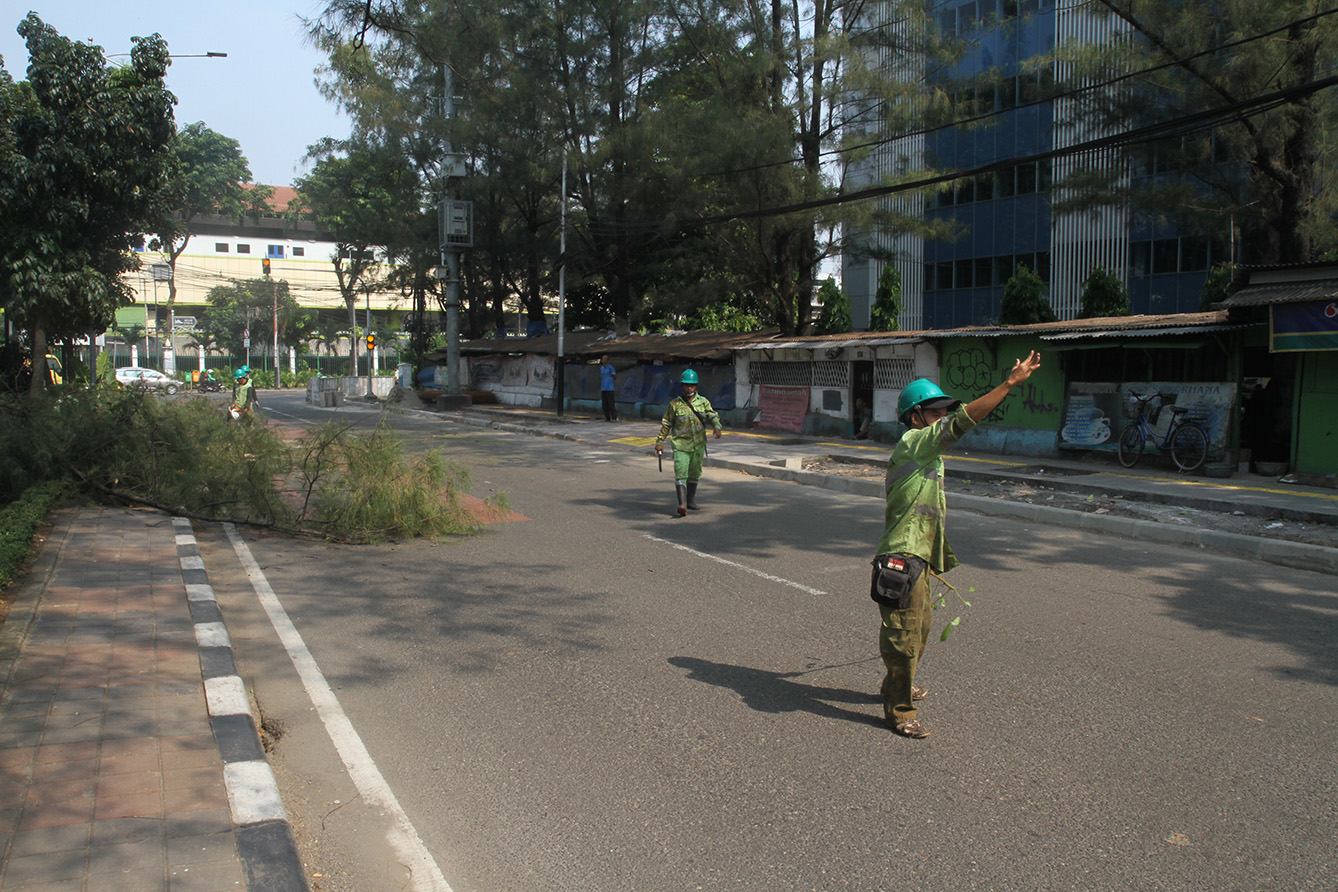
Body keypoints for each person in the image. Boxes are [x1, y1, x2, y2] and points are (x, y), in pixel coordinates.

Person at [873, 352, 1041, 738]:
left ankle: (899, 681)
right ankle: (899, 710)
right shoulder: (915, 443)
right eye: (935, 413)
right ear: (915, 417)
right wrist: (1009, 384)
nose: (942, 418)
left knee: (921, 628)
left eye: (942, 412)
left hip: (921, 555)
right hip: (902, 555)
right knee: (903, 634)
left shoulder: (927, 451)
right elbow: (962, 423)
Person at [654, 369, 723, 516]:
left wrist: (717, 427)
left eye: (692, 385)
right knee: (681, 473)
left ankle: (690, 501)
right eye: (686, 385)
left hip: (698, 444)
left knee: (695, 473)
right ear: (682, 386)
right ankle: (682, 504)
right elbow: (666, 425)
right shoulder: (674, 405)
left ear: (696, 386)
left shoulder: (703, 402)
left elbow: (712, 415)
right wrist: (660, 441)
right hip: (681, 446)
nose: (689, 388)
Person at [599, 355, 618, 422]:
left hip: (610, 388)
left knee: (611, 403)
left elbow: (614, 376)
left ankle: (614, 418)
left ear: (607, 360)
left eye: (605, 359)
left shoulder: (610, 367)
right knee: (604, 404)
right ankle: (607, 418)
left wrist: (610, 382)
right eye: (603, 359)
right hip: (603, 388)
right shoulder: (601, 368)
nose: (604, 360)